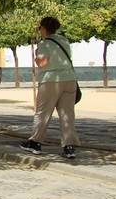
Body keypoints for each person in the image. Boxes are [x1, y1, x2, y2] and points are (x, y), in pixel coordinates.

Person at [20, 16, 79, 159]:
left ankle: (35, 141)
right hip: (69, 78)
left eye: (40, 27)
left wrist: (36, 56)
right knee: (67, 114)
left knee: (43, 112)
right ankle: (69, 146)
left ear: (44, 28)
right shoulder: (64, 40)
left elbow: (42, 62)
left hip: (50, 80)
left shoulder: (44, 43)